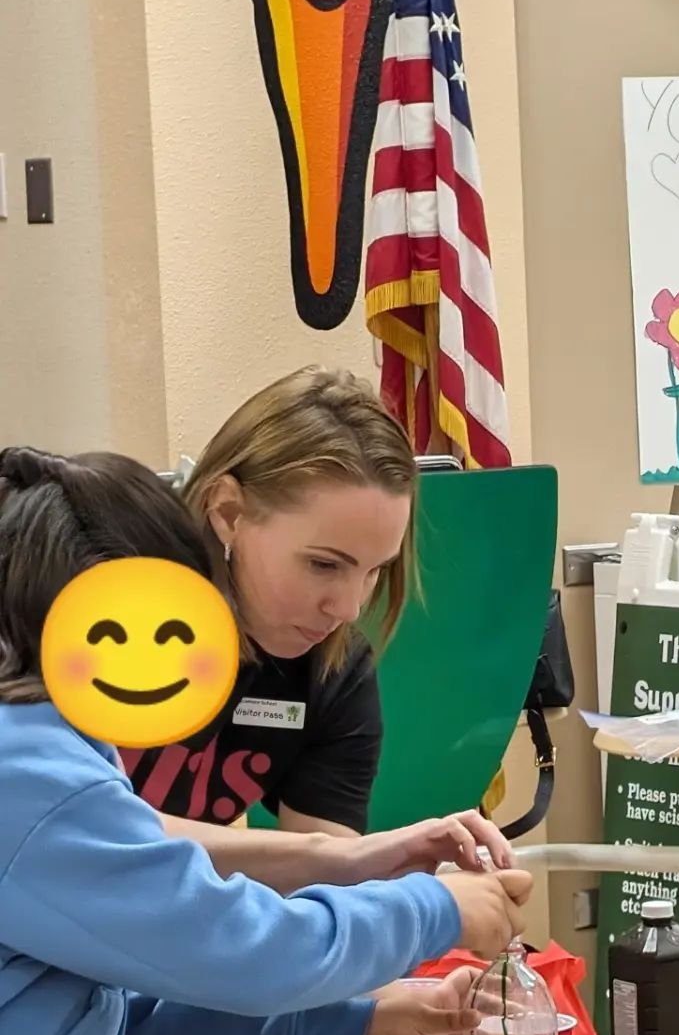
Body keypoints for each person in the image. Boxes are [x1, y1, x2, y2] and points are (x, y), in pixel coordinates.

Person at [0, 446, 575, 1035]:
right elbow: (236, 949)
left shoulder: (51, 752)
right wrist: (440, 907)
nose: (341, 604)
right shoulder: (29, 771)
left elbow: (112, 995)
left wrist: (361, 1025)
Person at [118, 365, 513, 883]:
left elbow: (319, 887)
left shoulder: (335, 672)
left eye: (375, 571)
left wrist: (405, 897)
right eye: (323, 564)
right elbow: (74, 829)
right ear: (229, 512)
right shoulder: (100, 615)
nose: (349, 609)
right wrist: (340, 858)